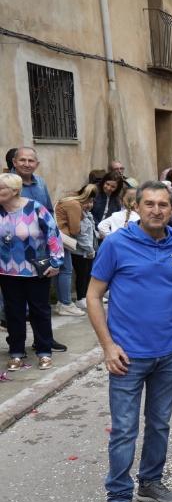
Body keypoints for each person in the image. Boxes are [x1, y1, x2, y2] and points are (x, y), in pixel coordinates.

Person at [87, 181, 172, 502]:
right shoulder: (117, 243)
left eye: (164, 204)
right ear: (137, 206)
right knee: (124, 430)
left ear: (171, 209)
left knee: (159, 423)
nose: (157, 210)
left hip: (167, 352)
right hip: (127, 356)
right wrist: (107, 347)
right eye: (149, 203)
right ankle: (119, 497)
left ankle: (150, 482)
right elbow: (92, 296)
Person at [0, 173, 62, 371]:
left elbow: (53, 234)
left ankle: (44, 351)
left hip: (36, 270)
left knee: (40, 311)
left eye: (1, 188)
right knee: (14, 313)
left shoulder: (34, 208)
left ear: (15, 190)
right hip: (7, 272)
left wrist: (56, 261)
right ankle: (16, 352)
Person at [54, 184, 98, 315]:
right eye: (90, 200)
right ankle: (65, 303)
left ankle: (62, 302)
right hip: (63, 240)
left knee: (60, 271)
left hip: (56, 239)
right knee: (66, 271)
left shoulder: (68, 200)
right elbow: (75, 230)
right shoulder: (75, 205)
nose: (90, 204)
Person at [11, 148, 53, 213]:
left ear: (37, 164)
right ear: (14, 162)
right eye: (22, 160)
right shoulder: (5, 184)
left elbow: (49, 211)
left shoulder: (41, 182)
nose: (27, 164)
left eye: (31, 161)